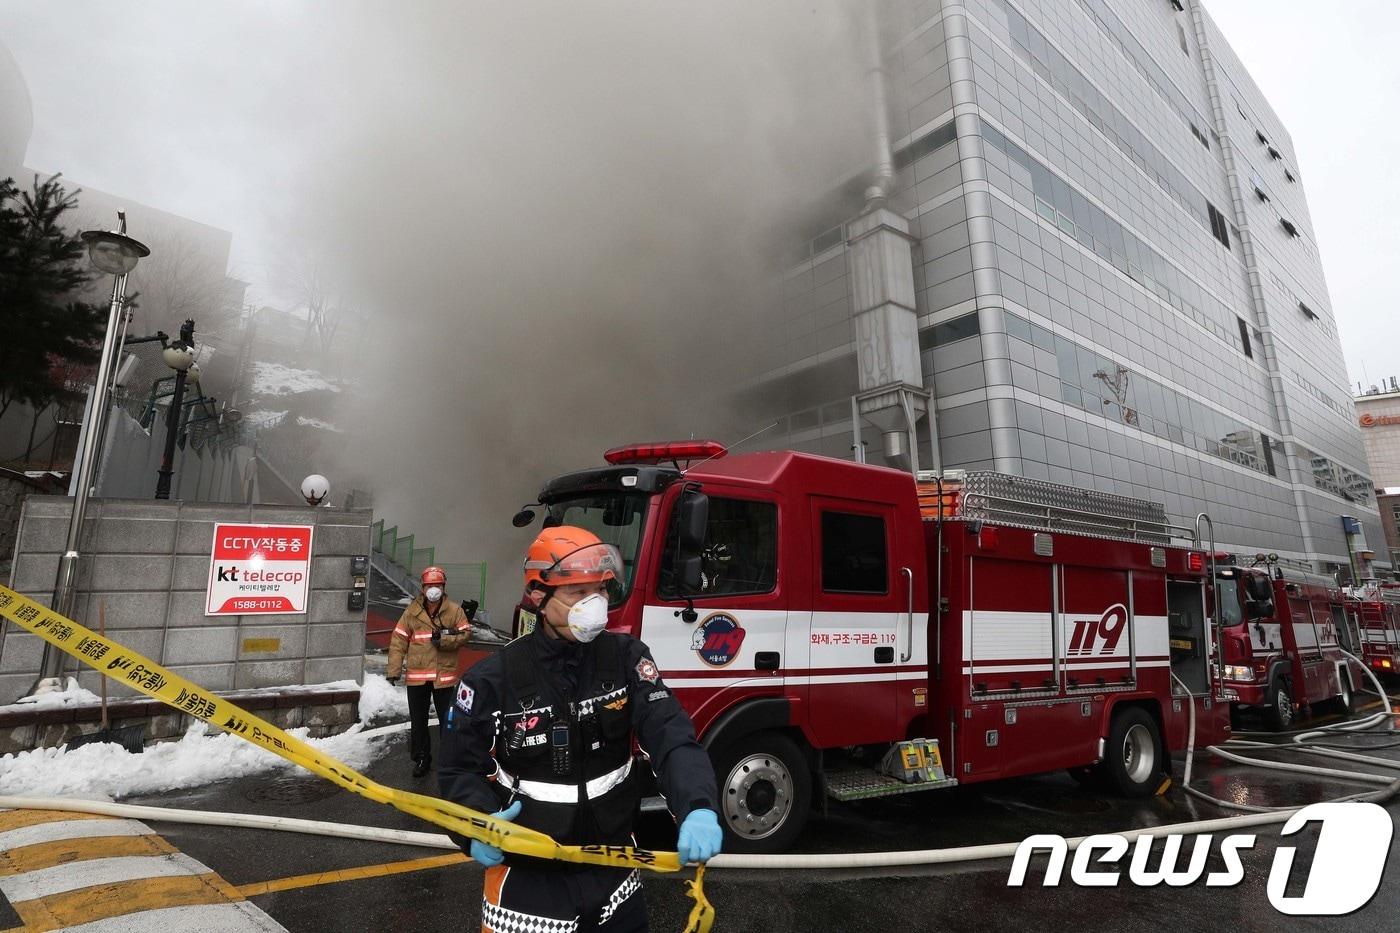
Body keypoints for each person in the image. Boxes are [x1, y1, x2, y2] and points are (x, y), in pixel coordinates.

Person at [439, 527, 723, 933]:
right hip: (527, 883)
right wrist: (477, 825)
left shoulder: (627, 659)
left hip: (616, 875)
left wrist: (698, 806)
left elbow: (671, 737)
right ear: (538, 595)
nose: (595, 604)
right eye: (578, 592)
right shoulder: (492, 680)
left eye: (601, 590)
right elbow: (458, 770)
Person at [386, 565, 477, 778]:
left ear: (443, 587)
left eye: (437, 585)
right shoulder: (412, 611)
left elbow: (465, 634)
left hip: (443, 677)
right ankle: (421, 758)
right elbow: (398, 640)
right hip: (417, 677)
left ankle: (450, 759)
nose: (433, 589)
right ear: (423, 587)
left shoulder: (454, 611)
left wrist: (444, 640)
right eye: (430, 586)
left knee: (448, 720)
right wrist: (393, 670)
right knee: (418, 722)